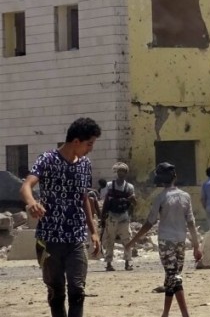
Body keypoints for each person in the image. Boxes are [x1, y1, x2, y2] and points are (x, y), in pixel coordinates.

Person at [19, 118, 102, 317]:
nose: (90, 149)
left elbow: (84, 199)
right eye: (89, 144)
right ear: (76, 141)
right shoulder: (47, 159)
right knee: (56, 293)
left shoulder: (85, 165)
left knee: (77, 291)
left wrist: (94, 232)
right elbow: (26, 186)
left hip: (75, 238)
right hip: (50, 238)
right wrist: (32, 203)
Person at [126, 163, 202, 317]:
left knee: (173, 277)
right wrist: (196, 246)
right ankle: (165, 313)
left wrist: (132, 241)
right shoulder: (186, 196)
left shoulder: (160, 198)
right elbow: (191, 223)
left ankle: (185, 314)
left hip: (166, 242)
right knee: (173, 277)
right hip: (181, 241)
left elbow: (149, 223)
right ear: (175, 177)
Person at [101, 162, 136, 271]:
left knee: (127, 239)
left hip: (124, 215)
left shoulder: (129, 187)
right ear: (117, 172)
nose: (121, 173)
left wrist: (131, 209)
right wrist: (103, 216)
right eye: (119, 171)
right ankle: (108, 264)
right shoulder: (110, 185)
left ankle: (127, 262)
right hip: (112, 215)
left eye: (123, 171)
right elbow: (106, 201)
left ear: (126, 173)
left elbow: (133, 203)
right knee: (109, 239)